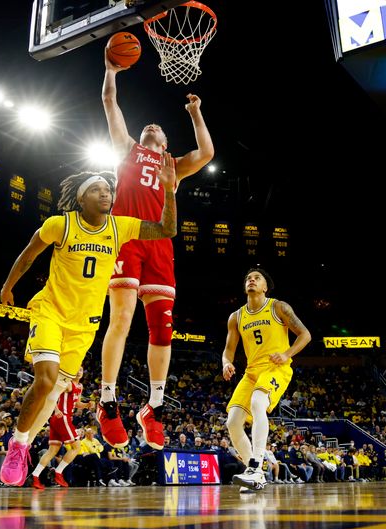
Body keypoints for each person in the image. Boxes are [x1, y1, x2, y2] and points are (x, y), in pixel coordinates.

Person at [0, 165, 177, 486]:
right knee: (45, 380)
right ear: (81, 198)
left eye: (108, 189)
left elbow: (166, 229)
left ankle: (22, 444)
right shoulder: (61, 224)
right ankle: (18, 443)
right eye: (97, 189)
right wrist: (9, 286)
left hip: (85, 325)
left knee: (52, 395)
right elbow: (28, 255)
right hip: (51, 311)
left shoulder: (119, 227)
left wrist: (169, 191)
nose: (105, 192)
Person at [97, 50, 215, 451]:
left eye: (158, 128)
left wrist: (196, 113)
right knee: (123, 316)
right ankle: (108, 399)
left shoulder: (173, 165)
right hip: (127, 235)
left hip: (160, 243)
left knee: (162, 329)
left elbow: (207, 154)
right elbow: (110, 104)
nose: (151, 126)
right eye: (149, 125)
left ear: (165, 143)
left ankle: (155, 406)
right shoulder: (127, 148)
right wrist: (111, 71)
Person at [222, 268, 311, 492]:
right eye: (248, 278)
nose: (251, 280)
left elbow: (305, 335)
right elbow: (228, 351)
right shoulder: (236, 317)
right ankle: (256, 473)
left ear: (265, 287)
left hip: (276, 367)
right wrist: (226, 363)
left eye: (256, 278)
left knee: (258, 402)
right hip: (251, 372)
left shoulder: (278, 307)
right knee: (232, 423)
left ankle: (255, 466)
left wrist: (286, 354)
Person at [31, 367, 93, 489]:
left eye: (81, 369)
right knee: (76, 447)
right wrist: (56, 409)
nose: (79, 371)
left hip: (59, 419)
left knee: (52, 450)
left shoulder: (79, 386)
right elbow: (51, 394)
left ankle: (35, 476)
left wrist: (87, 405)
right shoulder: (68, 384)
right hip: (62, 417)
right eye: (77, 369)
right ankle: (58, 472)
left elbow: (77, 403)